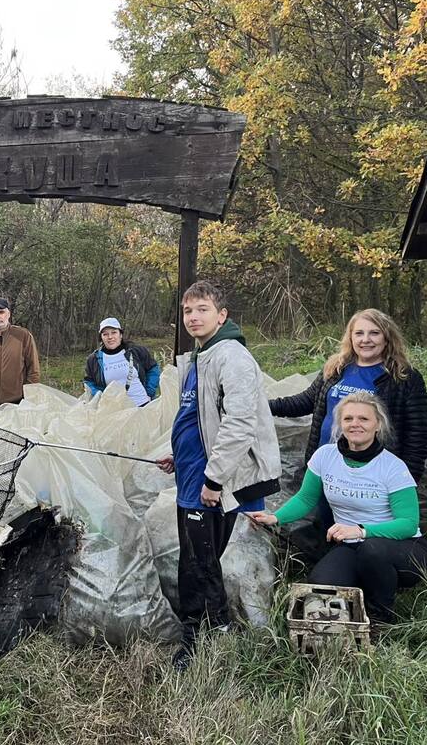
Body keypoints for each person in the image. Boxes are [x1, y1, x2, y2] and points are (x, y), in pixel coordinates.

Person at [156, 281, 281, 671]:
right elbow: (201, 418)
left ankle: (206, 633)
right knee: (194, 556)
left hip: (209, 482)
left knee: (200, 560)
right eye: (187, 311)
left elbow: (240, 424)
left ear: (221, 315)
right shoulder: (200, 357)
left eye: (202, 309)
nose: (193, 317)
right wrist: (179, 454)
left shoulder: (232, 357)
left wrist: (214, 481)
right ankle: (205, 626)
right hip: (192, 473)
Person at [249, 392, 427, 624]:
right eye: (348, 419)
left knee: (372, 550)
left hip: (404, 549)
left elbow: (408, 524)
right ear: (340, 424)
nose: (355, 424)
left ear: (378, 425)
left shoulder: (393, 467)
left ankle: (382, 614)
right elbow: (306, 498)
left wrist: (360, 530)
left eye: (364, 419)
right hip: (352, 546)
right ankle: (362, 587)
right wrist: (275, 518)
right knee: (321, 586)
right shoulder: (325, 456)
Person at [269, 309, 427, 536]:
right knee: (327, 523)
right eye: (359, 333)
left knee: (363, 532)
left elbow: (418, 434)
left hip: (371, 471)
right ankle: (328, 564)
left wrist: (405, 479)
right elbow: (305, 401)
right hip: (328, 463)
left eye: (374, 333)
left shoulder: (403, 377)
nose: (366, 339)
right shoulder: (337, 368)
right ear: (350, 337)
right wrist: (263, 407)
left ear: (387, 337)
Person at [83, 317, 161, 406]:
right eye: (105, 334)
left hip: (142, 405)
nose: (110, 337)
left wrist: (149, 391)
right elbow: (89, 382)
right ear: (101, 338)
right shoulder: (94, 359)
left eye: (114, 332)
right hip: (115, 410)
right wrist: (101, 397)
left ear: (120, 334)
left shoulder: (135, 351)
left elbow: (153, 369)